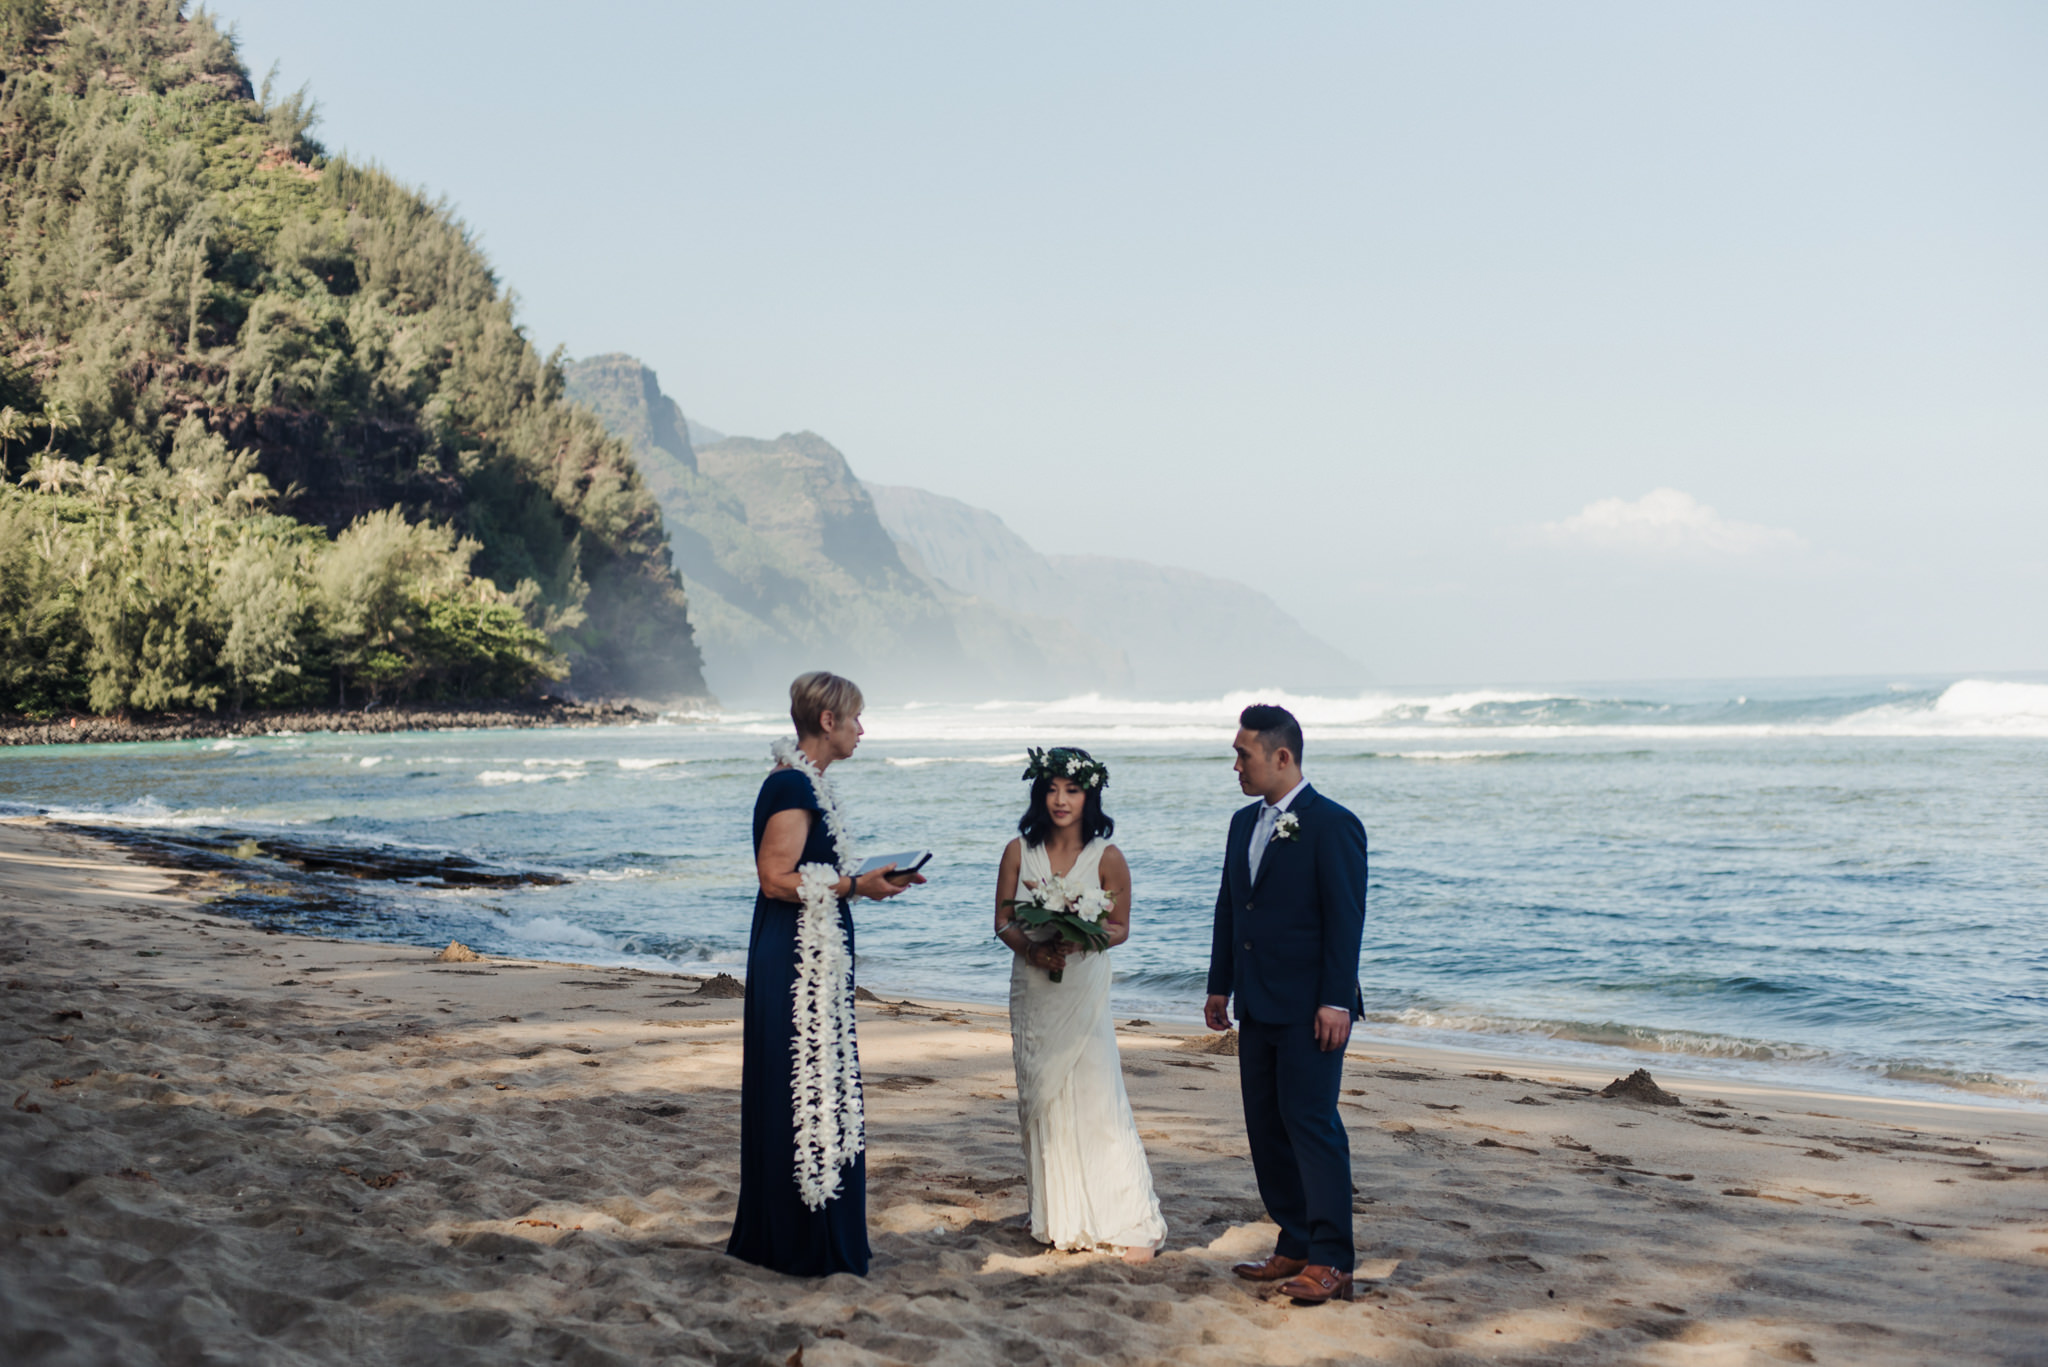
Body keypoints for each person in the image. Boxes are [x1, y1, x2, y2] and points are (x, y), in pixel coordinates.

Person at [728, 671, 923, 1277]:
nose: (863, 730)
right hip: (795, 962)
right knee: (802, 1085)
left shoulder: (808, 784)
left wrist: (865, 887)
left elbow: (808, 879)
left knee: (822, 1085)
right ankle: (798, 1242)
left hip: (814, 952)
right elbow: (774, 878)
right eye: (857, 718)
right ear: (829, 721)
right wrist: (853, 886)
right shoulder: (791, 785)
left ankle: (808, 1236)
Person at [1204, 703, 1369, 1304]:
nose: (1236, 767)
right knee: (1266, 1128)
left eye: (1243, 755)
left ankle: (1333, 1261)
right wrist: (1219, 984)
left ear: (1281, 756)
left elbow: (1345, 920)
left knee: (1312, 1127)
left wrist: (1335, 1000)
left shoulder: (1333, 824)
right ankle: (1294, 1242)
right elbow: (1230, 908)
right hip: (1256, 1002)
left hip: (1310, 1009)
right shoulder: (1240, 822)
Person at [994, 747, 1166, 1262]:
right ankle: (1055, 1213)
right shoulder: (1017, 851)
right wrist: (1033, 947)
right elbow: (1003, 922)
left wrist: (1082, 938)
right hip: (1034, 985)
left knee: (1096, 1092)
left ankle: (1125, 1215)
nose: (1060, 800)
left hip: (1083, 987)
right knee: (1039, 1095)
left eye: (1071, 789)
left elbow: (1120, 928)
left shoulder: (1107, 858)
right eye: (1050, 789)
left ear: (1090, 795)